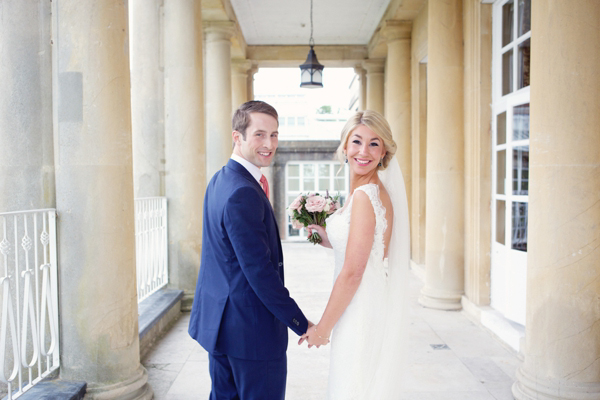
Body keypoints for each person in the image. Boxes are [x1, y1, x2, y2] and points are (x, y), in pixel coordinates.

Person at [188, 100, 311, 400]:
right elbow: (259, 271)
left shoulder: (221, 179)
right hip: (251, 335)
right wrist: (299, 321)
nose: (269, 144)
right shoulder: (243, 191)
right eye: (259, 134)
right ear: (237, 136)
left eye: (274, 134)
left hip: (221, 328)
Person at [301, 110, 410, 399]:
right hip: (369, 298)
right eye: (357, 141)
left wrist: (323, 329)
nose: (364, 151)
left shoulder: (365, 196)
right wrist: (327, 237)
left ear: (384, 150)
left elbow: (353, 272)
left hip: (359, 305)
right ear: (345, 146)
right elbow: (373, 250)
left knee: (353, 384)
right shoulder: (369, 190)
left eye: (374, 143)